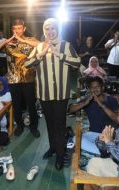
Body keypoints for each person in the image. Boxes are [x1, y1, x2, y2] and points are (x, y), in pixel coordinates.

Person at [25, 18, 80, 170]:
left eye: (53, 28)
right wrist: (40, 55)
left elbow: (77, 62)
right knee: (49, 123)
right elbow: (26, 64)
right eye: (47, 29)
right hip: (44, 93)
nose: (50, 32)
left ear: (58, 29)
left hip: (61, 94)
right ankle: (53, 148)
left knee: (60, 124)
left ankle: (61, 155)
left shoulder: (66, 45)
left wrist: (60, 55)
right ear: (44, 31)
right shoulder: (39, 47)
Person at [0, 18, 40, 138]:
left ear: (24, 28)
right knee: (17, 105)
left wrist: (21, 39)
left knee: (31, 104)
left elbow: (40, 44)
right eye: (15, 29)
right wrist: (6, 41)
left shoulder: (29, 40)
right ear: (12, 29)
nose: (17, 31)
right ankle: (19, 126)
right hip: (13, 79)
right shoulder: (8, 42)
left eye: (19, 28)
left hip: (28, 78)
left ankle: (34, 126)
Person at [69, 76, 118, 154]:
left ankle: (104, 150)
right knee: (76, 139)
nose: (95, 89)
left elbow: (117, 119)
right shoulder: (88, 99)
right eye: (92, 87)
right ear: (89, 89)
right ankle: (104, 152)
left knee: (113, 141)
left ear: (102, 87)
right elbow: (71, 109)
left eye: (97, 86)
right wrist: (85, 103)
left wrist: (102, 105)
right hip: (93, 134)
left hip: (109, 135)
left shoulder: (111, 100)